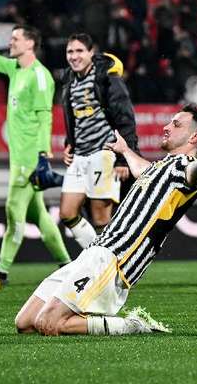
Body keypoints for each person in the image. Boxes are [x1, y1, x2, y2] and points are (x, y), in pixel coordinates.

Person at [14, 106, 197, 336]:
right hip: (94, 251)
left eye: (176, 124)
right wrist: (124, 149)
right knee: (25, 323)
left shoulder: (186, 167)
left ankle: (129, 326)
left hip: (114, 260)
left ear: (194, 137)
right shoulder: (161, 167)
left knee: (49, 323)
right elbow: (142, 169)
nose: (166, 127)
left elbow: (196, 172)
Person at [0, 10, 71, 283]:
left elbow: (45, 115)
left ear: (30, 44)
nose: (11, 42)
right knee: (40, 217)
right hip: (19, 155)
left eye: (16, 39)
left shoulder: (40, 76)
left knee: (14, 211)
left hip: (28, 156)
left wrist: (42, 153)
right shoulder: (15, 70)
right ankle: (67, 265)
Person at [56, 33, 138, 251]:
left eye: (79, 51)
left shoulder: (107, 78)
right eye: (70, 51)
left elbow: (125, 118)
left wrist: (123, 158)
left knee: (101, 218)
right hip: (80, 155)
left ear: (91, 53)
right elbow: (75, 118)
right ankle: (97, 260)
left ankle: (111, 269)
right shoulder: (69, 80)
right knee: (67, 213)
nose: (74, 56)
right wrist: (69, 143)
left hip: (104, 153)